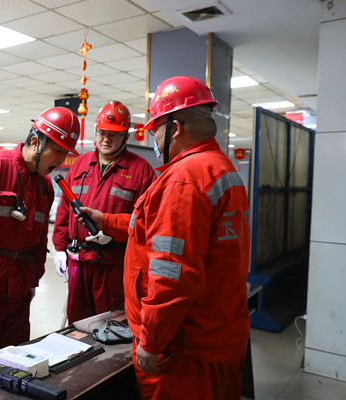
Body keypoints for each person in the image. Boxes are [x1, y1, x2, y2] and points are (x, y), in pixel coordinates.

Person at [79, 76, 250, 399]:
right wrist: (107, 220)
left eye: (155, 131)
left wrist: (152, 340)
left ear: (175, 129)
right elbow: (161, 229)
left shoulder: (184, 179)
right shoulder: (220, 168)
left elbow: (172, 272)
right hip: (220, 333)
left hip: (184, 350)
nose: (154, 141)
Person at [0, 107, 80, 369]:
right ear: (35, 142)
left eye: (65, 153)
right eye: (57, 151)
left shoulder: (44, 185)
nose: (61, 160)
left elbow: (39, 240)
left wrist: (33, 280)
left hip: (18, 294)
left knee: (13, 364)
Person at [52, 101, 155, 325]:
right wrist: (59, 248)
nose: (106, 139)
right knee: (78, 323)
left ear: (126, 137)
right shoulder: (80, 164)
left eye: (113, 134)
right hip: (79, 262)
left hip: (113, 265)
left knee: (110, 325)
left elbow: (148, 222)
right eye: (102, 133)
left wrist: (113, 232)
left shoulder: (141, 171)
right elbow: (64, 208)